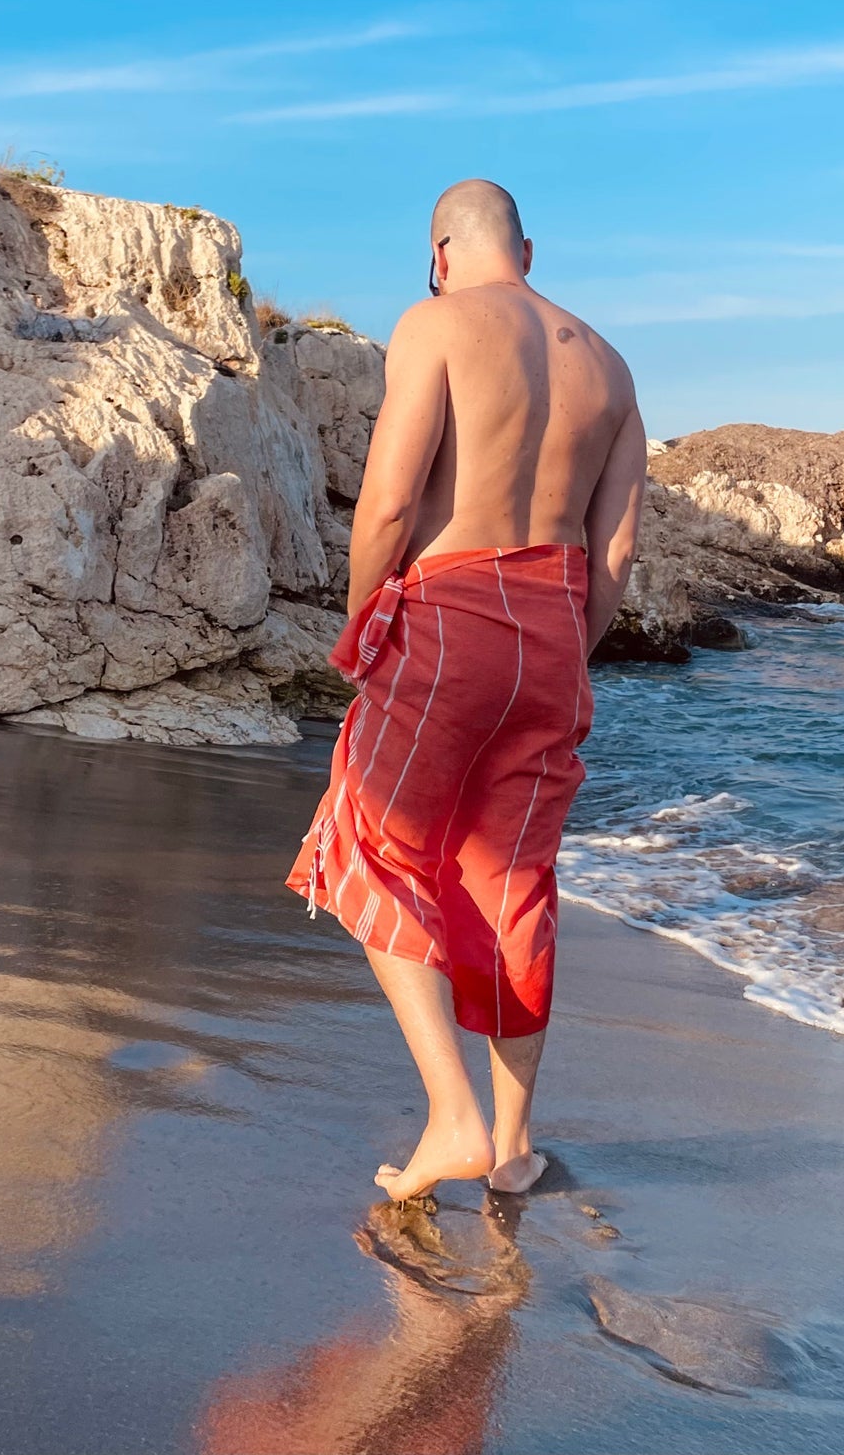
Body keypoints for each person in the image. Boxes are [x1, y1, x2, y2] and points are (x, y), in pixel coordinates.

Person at [287, 179, 647, 1201]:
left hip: (451, 613)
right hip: (556, 628)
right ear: (525, 251)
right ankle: (515, 1145)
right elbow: (614, 550)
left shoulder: (436, 322)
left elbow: (392, 499)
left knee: (362, 833)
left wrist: (364, 621)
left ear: (441, 252)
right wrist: (563, 644)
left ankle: (453, 1118)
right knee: (514, 884)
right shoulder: (610, 368)